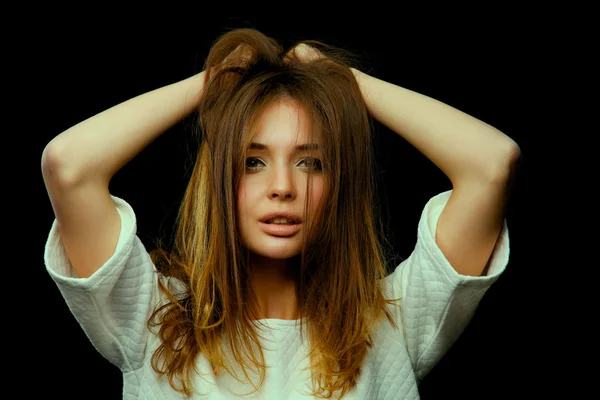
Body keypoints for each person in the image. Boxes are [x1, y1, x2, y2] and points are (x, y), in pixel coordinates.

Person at [41, 28, 520, 399]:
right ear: (218, 177)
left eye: (310, 162)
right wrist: (214, 83)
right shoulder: (151, 320)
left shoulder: (394, 324)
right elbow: (69, 166)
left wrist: (344, 82)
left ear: (337, 185)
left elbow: (491, 164)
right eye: (253, 161)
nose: (283, 188)